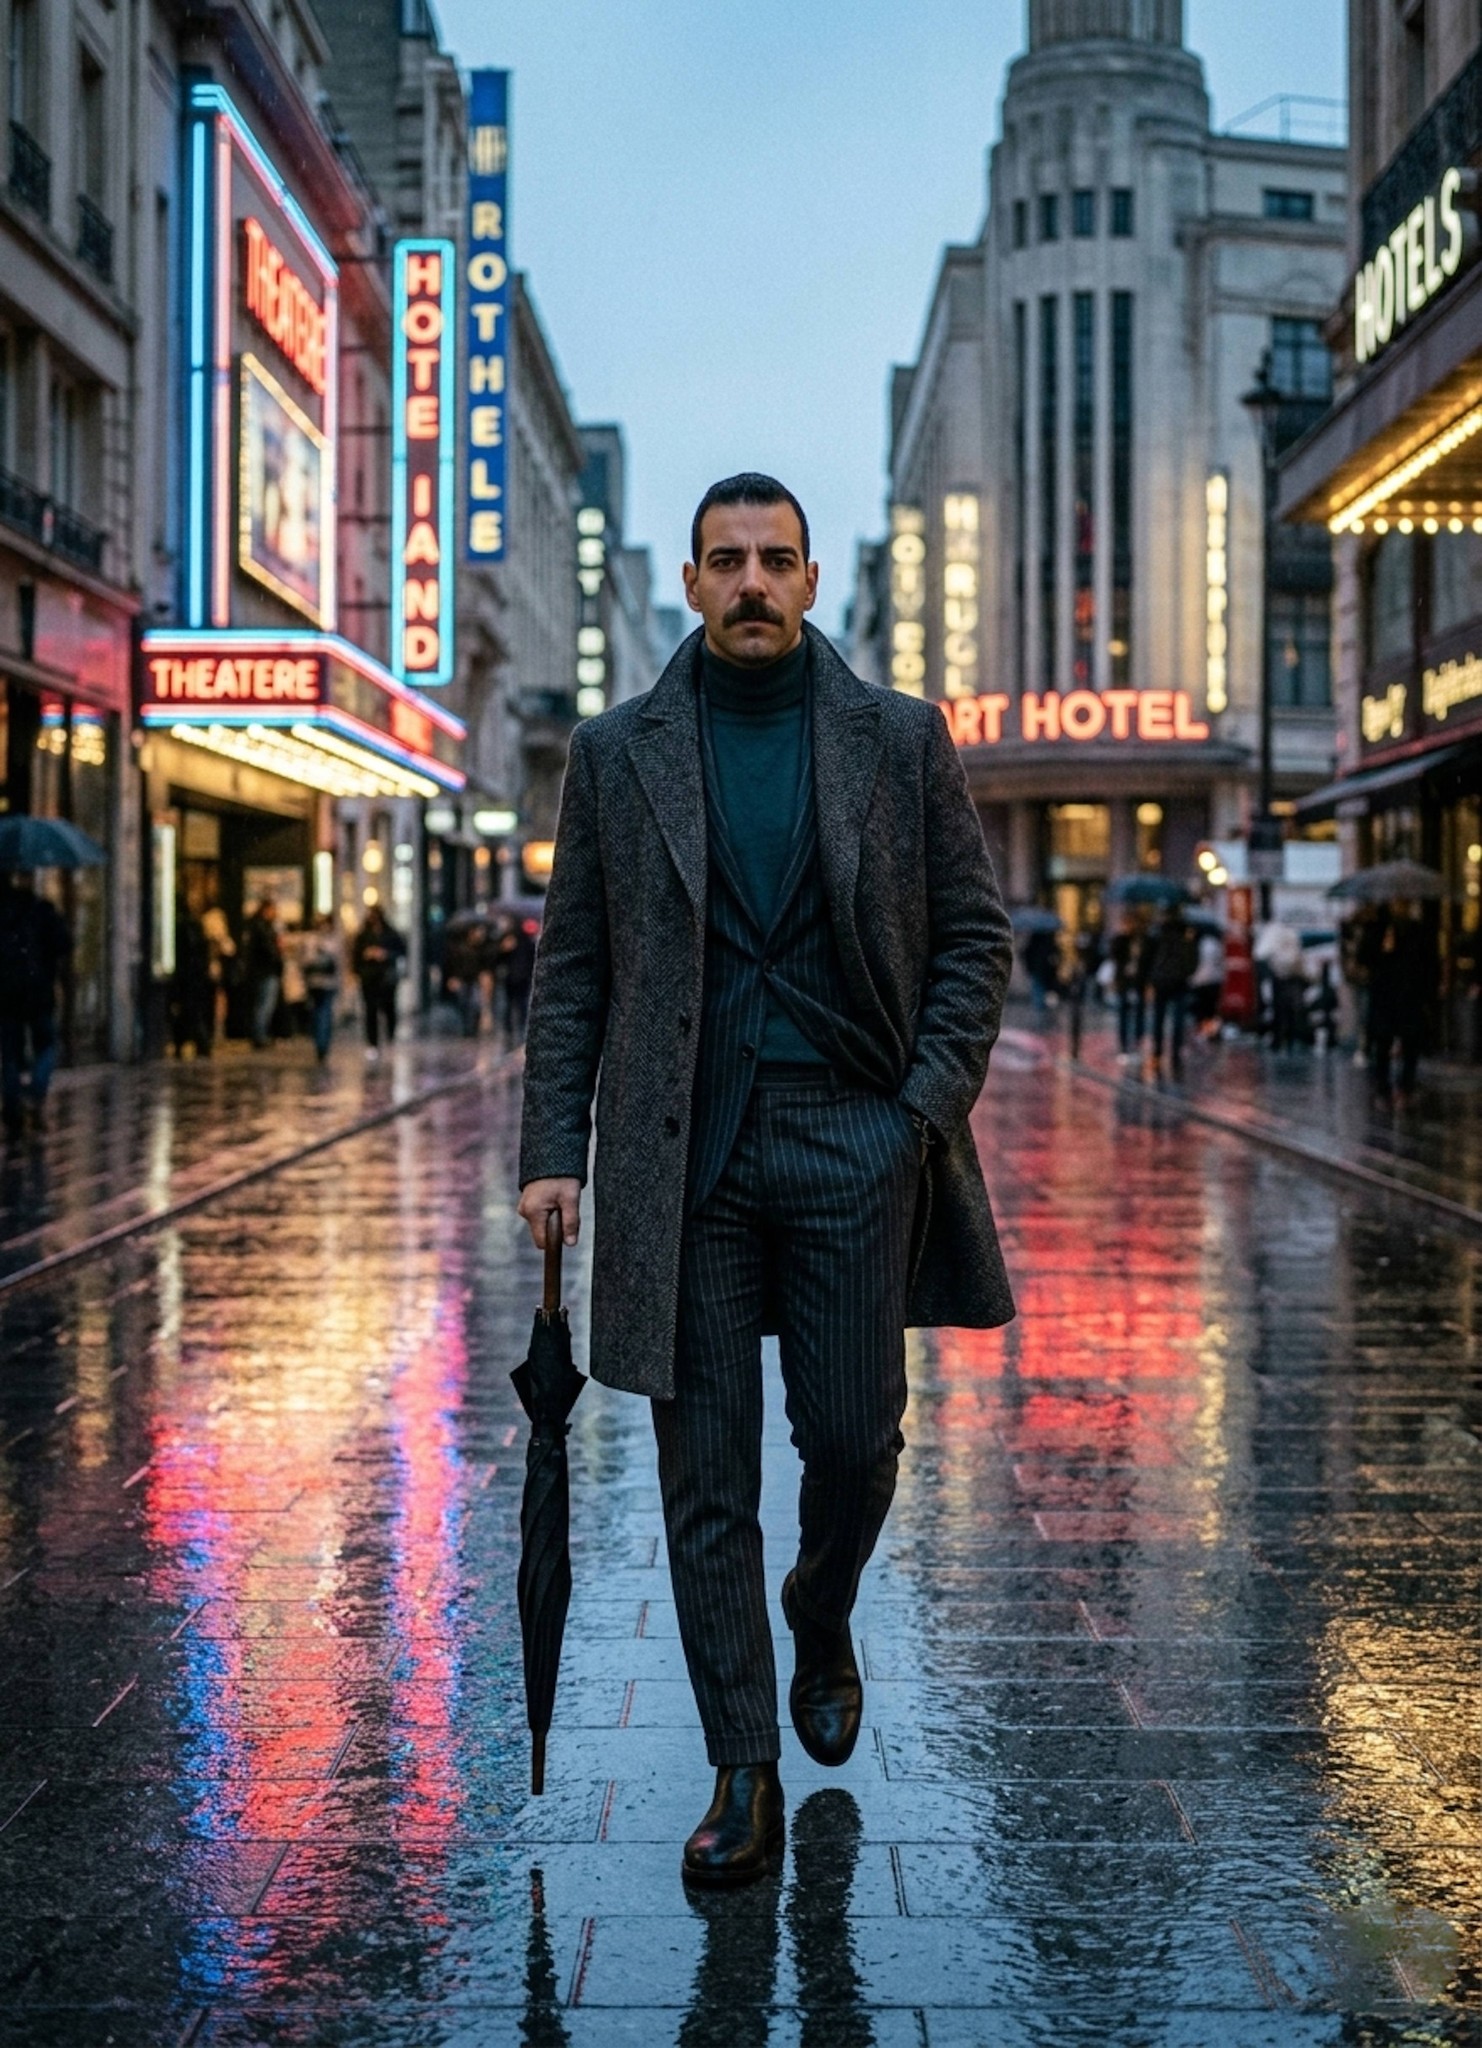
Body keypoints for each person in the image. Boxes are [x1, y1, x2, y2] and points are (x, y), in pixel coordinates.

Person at [518, 473, 1014, 1888]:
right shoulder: (615, 753)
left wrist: (915, 1116)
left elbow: (974, 940)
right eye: (726, 560)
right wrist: (553, 1149)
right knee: (706, 1474)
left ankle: (820, 1599)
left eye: (774, 559)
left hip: (855, 1135)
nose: (750, 582)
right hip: (683, 1155)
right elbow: (574, 968)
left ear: (808, 580)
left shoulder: (898, 737)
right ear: (691, 583)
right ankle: (743, 1764)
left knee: (855, 1441)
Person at [0, 870, 71, 1139]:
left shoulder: (4, 914)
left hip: (7, 994)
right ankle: (36, 1090)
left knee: (10, 1054)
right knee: (47, 1044)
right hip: (39, 993)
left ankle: (12, 1110)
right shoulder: (42, 910)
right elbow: (64, 944)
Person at [1359, 901, 1430, 1106]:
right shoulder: (1377, 929)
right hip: (1385, 995)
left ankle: (1406, 1087)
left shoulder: (1416, 930)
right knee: (1383, 1043)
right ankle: (1384, 1089)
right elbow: (1365, 958)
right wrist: (1382, 948)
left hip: (1409, 994)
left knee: (1410, 1043)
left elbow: (1426, 961)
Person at [1144, 905, 1199, 1079]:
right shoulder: (1186, 935)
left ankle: (1158, 1051)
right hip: (1179, 981)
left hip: (1161, 981)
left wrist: (1150, 979)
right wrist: (1186, 973)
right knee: (1177, 1019)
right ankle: (1175, 1052)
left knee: (1159, 1018)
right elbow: (1193, 960)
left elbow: (1148, 959)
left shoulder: (1156, 934)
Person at [352, 904, 405, 1060]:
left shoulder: (391, 933)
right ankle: (372, 1042)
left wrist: (386, 954)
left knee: (389, 1008)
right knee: (370, 1010)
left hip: (386, 977)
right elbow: (356, 956)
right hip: (369, 977)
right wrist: (365, 959)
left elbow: (401, 951)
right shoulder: (363, 935)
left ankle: (390, 1037)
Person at [171, 887, 215, 1058]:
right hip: (193, 976)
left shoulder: (185, 925)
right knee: (192, 1012)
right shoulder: (193, 925)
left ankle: (190, 1043)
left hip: (188, 976)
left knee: (187, 1011)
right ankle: (198, 1043)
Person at [1254, 915, 1307, 1051]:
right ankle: (1291, 1039)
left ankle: (1279, 1040)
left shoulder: (1272, 933)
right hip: (1293, 976)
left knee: (1280, 1009)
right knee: (1291, 1010)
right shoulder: (1291, 934)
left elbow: (1260, 953)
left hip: (1279, 976)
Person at [241, 898, 282, 1049]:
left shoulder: (255, 926)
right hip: (265, 971)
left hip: (259, 971)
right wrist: (277, 957)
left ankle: (259, 1034)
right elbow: (269, 950)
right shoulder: (262, 927)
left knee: (261, 1004)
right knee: (264, 1004)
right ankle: (260, 1035)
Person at [302, 913, 341, 1064]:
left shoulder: (329, 940)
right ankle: (321, 1043)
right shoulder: (313, 940)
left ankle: (322, 1044)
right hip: (319, 983)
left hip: (325, 983)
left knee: (322, 1012)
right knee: (322, 1012)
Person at [1108, 912, 1145, 1060]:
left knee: (1138, 1014)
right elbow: (1114, 955)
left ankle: (1136, 1044)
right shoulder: (1119, 940)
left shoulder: (1140, 941)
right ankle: (1123, 1046)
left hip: (1138, 982)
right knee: (1123, 1013)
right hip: (1123, 982)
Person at [500, 915, 536, 1044]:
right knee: (515, 1005)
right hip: (514, 977)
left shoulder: (524, 941)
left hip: (518, 977)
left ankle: (516, 1029)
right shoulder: (509, 941)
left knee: (518, 1004)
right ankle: (512, 1029)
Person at [1189, 924, 1226, 1039]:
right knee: (1212, 1009)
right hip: (1215, 980)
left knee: (1201, 1009)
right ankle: (1213, 1032)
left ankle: (1202, 1031)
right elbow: (1221, 961)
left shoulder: (1197, 944)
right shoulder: (1217, 944)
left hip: (1199, 981)